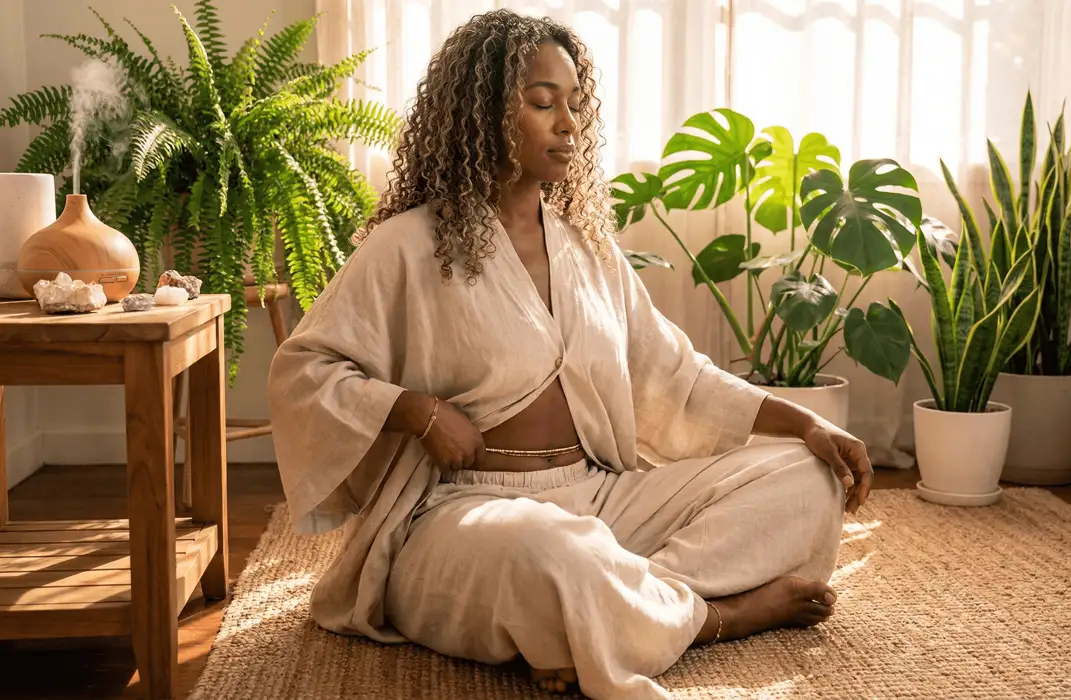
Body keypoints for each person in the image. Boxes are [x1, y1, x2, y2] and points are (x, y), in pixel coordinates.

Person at [267, 9, 873, 699]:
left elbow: (676, 375)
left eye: (577, 105)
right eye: (542, 103)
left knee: (806, 477)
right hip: (466, 514)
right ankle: (717, 616)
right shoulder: (408, 246)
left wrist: (807, 424)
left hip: (600, 495)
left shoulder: (588, 249)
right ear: (481, 114)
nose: (569, 124)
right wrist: (417, 410)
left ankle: (608, 611)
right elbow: (305, 371)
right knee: (550, 555)